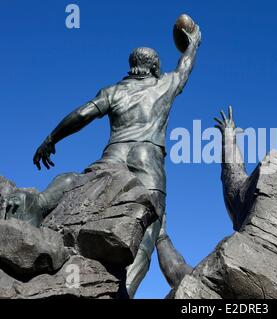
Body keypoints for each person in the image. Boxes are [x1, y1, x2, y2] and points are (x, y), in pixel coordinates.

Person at [5, 24, 201, 298]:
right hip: (148, 164)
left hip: (113, 156)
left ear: (132, 66)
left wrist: (52, 138)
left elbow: (83, 114)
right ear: (155, 67)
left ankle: (40, 203)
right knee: (146, 237)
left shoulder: (113, 91)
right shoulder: (165, 84)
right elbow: (185, 66)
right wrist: (193, 43)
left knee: (76, 181)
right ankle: (122, 294)